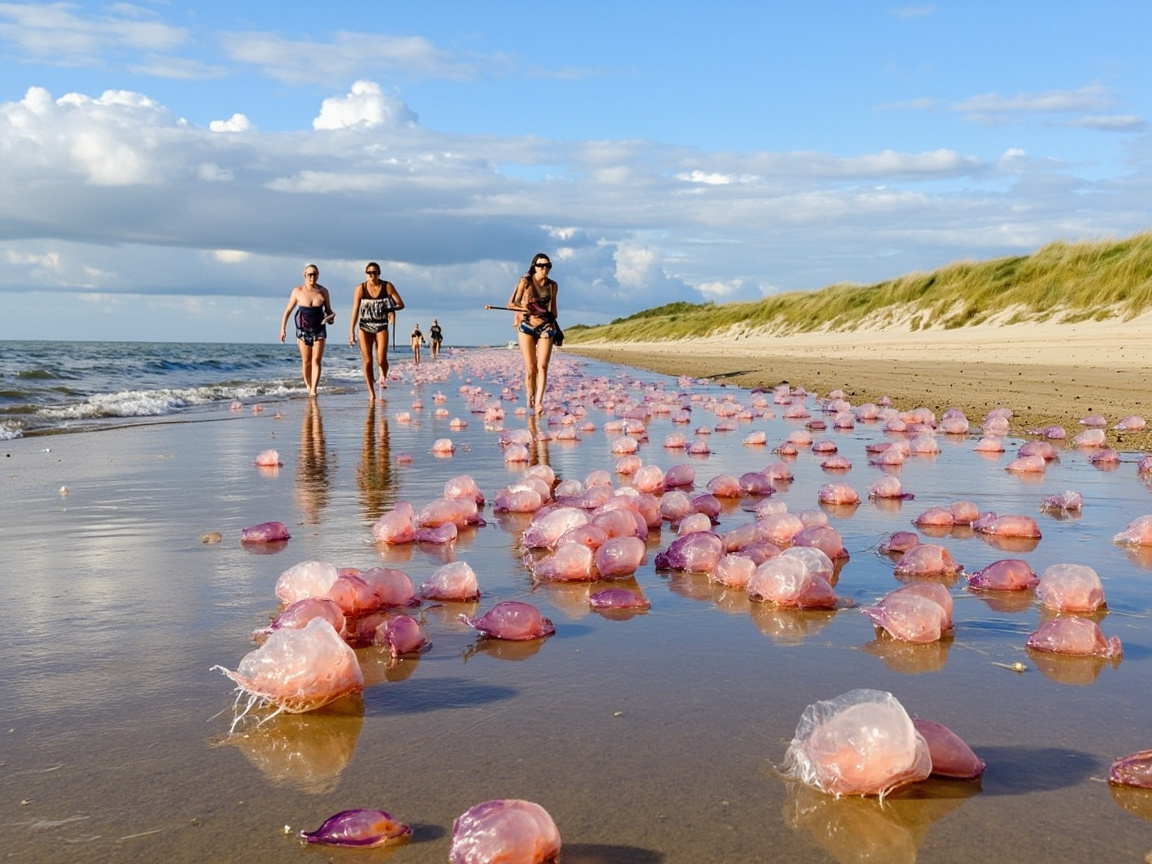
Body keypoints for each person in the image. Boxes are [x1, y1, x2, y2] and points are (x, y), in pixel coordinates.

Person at [509, 252, 559, 413]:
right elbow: (511, 304)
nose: (544, 268)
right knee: (531, 368)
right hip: (527, 326)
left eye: (547, 265)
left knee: (543, 365)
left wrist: (550, 318)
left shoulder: (553, 286)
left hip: (546, 326)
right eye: (540, 265)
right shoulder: (525, 282)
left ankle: (539, 402)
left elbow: (554, 311)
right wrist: (525, 309)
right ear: (534, 267)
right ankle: (530, 394)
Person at [349, 262, 405, 399]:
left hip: (381, 326)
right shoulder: (360, 288)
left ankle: (382, 375)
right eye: (369, 273)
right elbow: (355, 310)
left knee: (381, 359)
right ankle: (371, 393)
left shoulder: (387, 286)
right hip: (364, 327)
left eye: (375, 273)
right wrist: (351, 331)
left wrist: (390, 309)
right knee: (367, 361)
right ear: (366, 273)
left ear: (379, 273)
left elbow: (401, 304)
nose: (372, 275)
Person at [279, 264, 335, 397]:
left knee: (316, 360)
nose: (312, 277)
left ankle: (314, 390)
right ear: (304, 275)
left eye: (315, 274)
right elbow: (287, 311)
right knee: (306, 361)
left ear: (318, 275)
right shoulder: (297, 291)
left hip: (319, 328)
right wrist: (283, 329)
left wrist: (331, 318)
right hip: (302, 330)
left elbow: (328, 310)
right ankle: (309, 386)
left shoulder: (323, 291)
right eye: (310, 274)